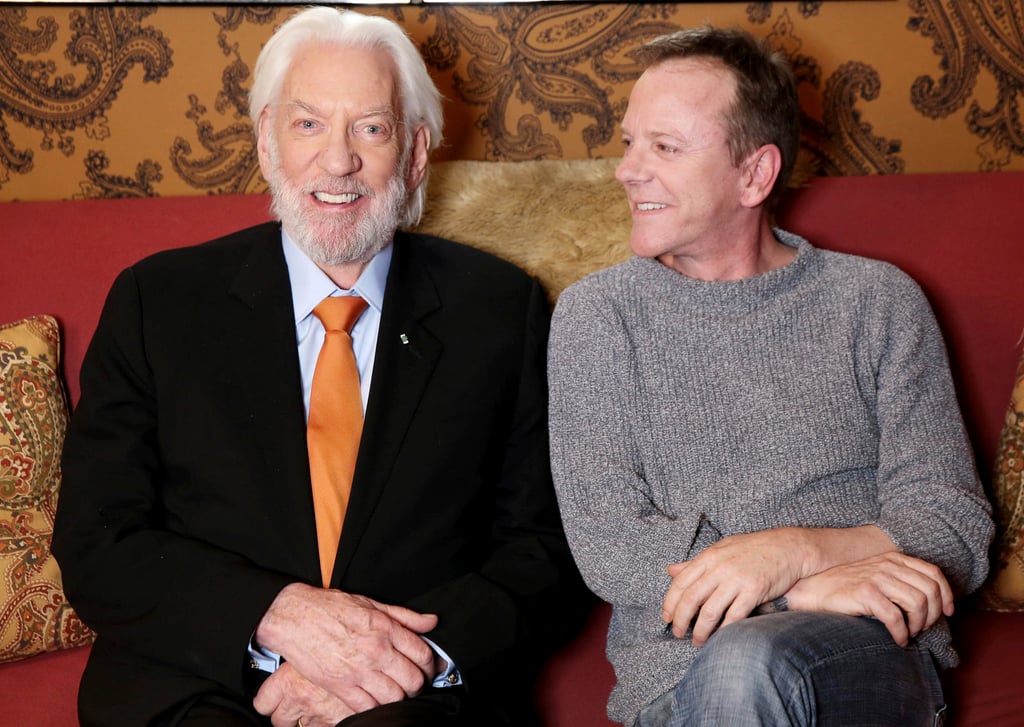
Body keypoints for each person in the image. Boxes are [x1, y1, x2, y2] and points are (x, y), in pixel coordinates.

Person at [52, 7, 582, 727]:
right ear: (267, 142)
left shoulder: (500, 309)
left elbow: (543, 548)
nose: (339, 161)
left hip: (409, 695)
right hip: (196, 680)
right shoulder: (158, 301)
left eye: (372, 128)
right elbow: (97, 538)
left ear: (416, 153)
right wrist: (274, 616)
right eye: (308, 125)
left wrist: (402, 660)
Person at [547, 25, 994, 727]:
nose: (627, 170)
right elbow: (609, 541)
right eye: (630, 142)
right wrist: (799, 587)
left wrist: (796, 553)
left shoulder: (876, 301)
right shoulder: (597, 316)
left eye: (665, 147)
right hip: (673, 682)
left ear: (755, 175)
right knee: (735, 666)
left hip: (865, 656)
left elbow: (954, 522)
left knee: (746, 661)